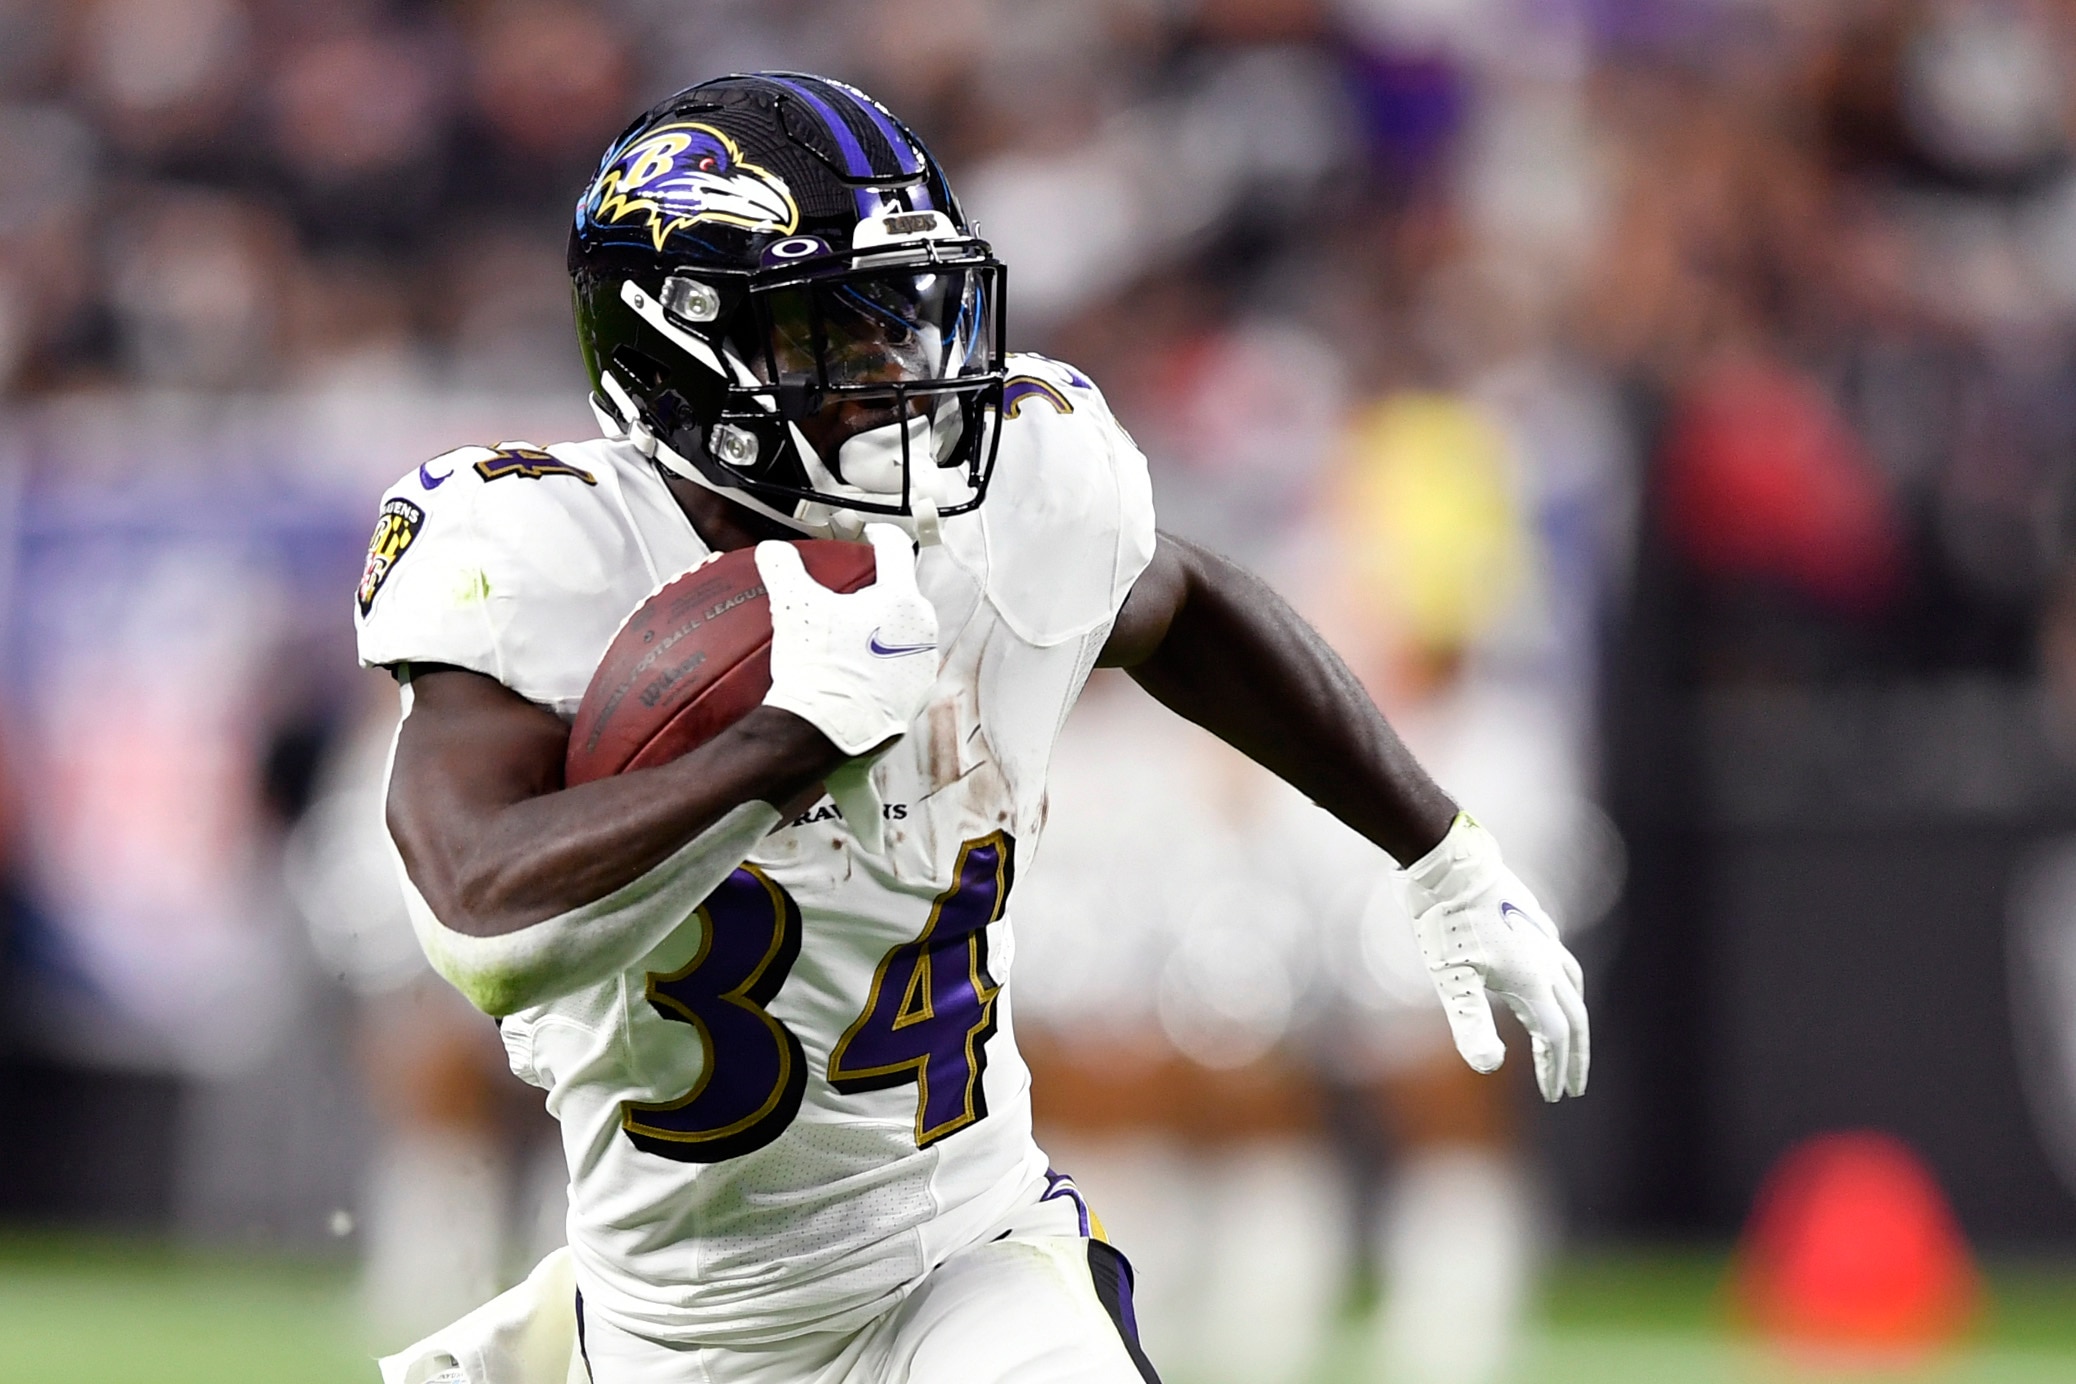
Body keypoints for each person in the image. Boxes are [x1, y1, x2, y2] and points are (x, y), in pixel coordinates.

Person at [358, 73, 1587, 1384]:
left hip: (960, 1258)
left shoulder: (1007, 496)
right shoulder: (550, 555)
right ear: (680, 348)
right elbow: (484, 918)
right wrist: (780, 743)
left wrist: (1438, 850)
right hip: (667, 1322)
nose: (899, 371)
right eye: (833, 329)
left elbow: (1186, 605)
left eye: (905, 314)